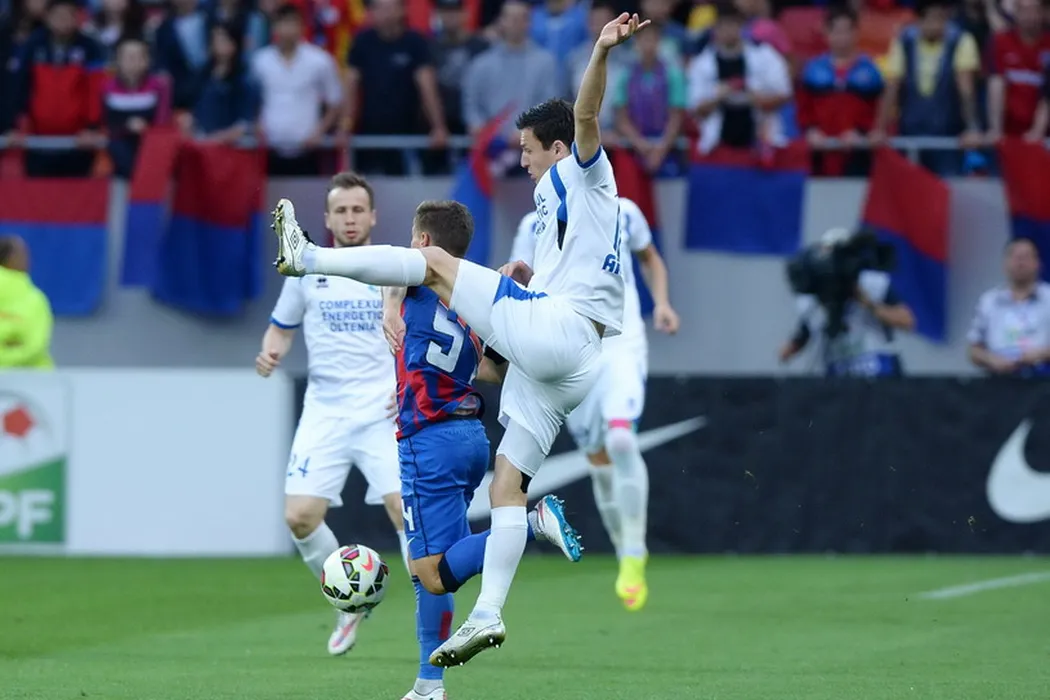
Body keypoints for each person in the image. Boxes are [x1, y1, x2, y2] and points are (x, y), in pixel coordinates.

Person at [271, 12, 648, 667]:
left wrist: (600, 51)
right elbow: (569, 278)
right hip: (569, 360)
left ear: (557, 148)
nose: (521, 159)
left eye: (528, 148)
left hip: (561, 332)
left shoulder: (586, 173)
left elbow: (586, 115)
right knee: (507, 489)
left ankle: (307, 256)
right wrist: (525, 283)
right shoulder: (561, 209)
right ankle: (487, 613)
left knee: (435, 263)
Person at [382, 200, 584, 700]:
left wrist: (389, 309)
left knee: (429, 573)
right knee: (438, 567)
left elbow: (390, 269)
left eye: (413, 240)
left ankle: (533, 523)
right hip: (470, 435)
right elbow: (494, 368)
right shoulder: (474, 296)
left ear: (423, 242)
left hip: (428, 438)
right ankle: (428, 685)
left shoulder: (417, 278)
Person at [256, 172, 408, 657]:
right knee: (299, 517)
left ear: (373, 216)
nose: (350, 218)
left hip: (383, 410)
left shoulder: (390, 267)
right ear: (327, 218)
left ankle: (432, 620)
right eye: (341, 211)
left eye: (357, 209)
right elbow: (281, 328)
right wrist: (271, 352)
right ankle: (348, 603)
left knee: (406, 512)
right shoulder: (305, 271)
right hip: (325, 410)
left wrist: (408, 384)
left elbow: (418, 332)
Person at [509, 196, 679, 611]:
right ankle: (624, 547)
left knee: (621, 438)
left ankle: (634, 552)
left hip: (622, 342)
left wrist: (661, 303)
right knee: (598, 457)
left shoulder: (624, 211)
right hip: (571, 348)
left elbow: (651, 259)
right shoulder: (534, 222)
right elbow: (517, 280)